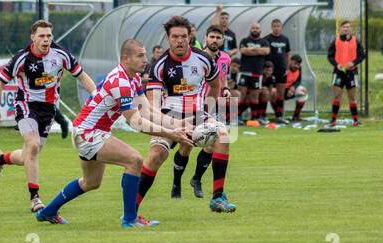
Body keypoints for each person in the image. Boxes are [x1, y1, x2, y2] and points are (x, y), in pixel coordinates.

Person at [35, 39, 194, 226]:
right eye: (140, 55)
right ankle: (130, 219)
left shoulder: (132, 78)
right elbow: (136, 122)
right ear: (126, 58)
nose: (145, 59)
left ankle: (47, 212)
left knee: (91, 182)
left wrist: (175, 123)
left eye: (144, 55)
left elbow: (147, 110)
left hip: (87, 131)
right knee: (134, 160)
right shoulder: (121, 82)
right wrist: (170, 134)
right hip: (89, 133)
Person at [0, 20, 97, 213]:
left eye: (49, 36)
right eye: (41, 36)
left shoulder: (61, 55)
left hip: (48, 109)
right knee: (33, 145)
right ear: (33, 37)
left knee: (28, 155)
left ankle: (1, 159)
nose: (46, 40)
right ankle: (35, 198)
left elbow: (82, 76)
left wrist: (97, 98)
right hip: (26, 105)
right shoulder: (22, 58)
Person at [136, 15, 237, 214]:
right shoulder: (159, 65)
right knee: (156, 155)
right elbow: (152, 105)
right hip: (169, 116)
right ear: (168, 38)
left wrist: (206, 112)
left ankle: (218, 197)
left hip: (197, 114)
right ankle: (133, 207)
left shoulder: (204, 59)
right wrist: (171, 124)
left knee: (223, 136)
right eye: (175, 36)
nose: (180, 40)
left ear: (190, 37)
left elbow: (215, 84)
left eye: (184, 36)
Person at [187, 24, 232, 198]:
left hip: (214, 106)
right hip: (197, 106)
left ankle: (199, 181)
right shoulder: (197, 57)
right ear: (205, 38)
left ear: (222, 40)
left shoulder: (225, 59)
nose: (214, 40)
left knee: (214, 144)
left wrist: (226, 89)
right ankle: (199, 182)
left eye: (218, 37)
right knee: (190, 144)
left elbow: (224, 78)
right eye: (211, 37)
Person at [327, 20, 365, 127]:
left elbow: (362, 55)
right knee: (337, 95)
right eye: (344, 27)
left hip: (351, 72)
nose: (346, 29)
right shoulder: (336, 41)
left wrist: (353, 63)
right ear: (341, 29)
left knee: (352, 97)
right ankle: (333, 120)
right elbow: (330, 56)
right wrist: (336, 64)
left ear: (351, 29)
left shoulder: (356, 41)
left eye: (348, 27)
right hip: (339, 72)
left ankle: (356, 120)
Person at [237, 23, 270, 123]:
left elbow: (266, 51)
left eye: (257, 28)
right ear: (250, 30)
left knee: (254, 96)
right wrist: (258, 51)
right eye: (253, 28)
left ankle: (254, 118)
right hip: (244, 72)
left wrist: (251, 49)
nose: (255, 30)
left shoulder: (264, 42)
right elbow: (243, 51)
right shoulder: (245, 40)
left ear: (260, 30)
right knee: (241, 95)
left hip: (257, 73)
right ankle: (236, 117)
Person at [264, 19, 291, 124]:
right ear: (272, 27)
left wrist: (286, 66)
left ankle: (279, 116)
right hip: (270, 71)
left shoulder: (285, 39)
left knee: (280, 93)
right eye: (274, 26)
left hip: (282, 70)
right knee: (269, 92)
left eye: (278, 26)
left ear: (281, 27)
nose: (276, 28)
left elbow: (287, 54)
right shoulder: (267, 39)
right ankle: (263, 115)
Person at [271, 55, 308, 121]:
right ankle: (278, 116)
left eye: (298, 64)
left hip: (290, 91)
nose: (296, 66)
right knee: (273, 92)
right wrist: (274, 87)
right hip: (279, 90)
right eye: (295, 63)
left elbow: (298, 81)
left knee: (303, 91)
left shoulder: (299, 69)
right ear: (290, 61)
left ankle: (296, 116)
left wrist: (293, 87)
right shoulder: (283, 68)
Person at [257, 61, 275, 125]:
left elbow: (270, 90)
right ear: (263, 70)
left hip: (264, 95)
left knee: (267, 93)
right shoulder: (259, 77)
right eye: (266, 70)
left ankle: (263, 116)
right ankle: (257, 116)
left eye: (270, 70)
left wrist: (266, 91)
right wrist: (261, 89)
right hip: (255, 95)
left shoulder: (271, 78)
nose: (268, 72)